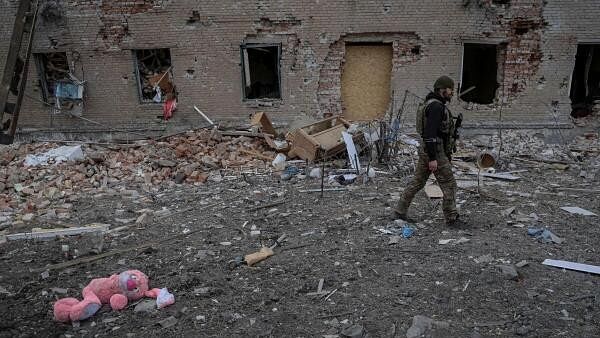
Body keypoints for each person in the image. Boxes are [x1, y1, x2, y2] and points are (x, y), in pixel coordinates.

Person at [394, 76, 465, 227]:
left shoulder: (431, 104)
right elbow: (430, 133)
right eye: (450, 89)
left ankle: (399, 211)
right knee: (449, 184)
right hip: (434, 152)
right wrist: (434, 158)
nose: (452, 92)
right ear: (443, 89)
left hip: (428, 150)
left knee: (417, 182)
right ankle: (452, 218)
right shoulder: (436, 107)